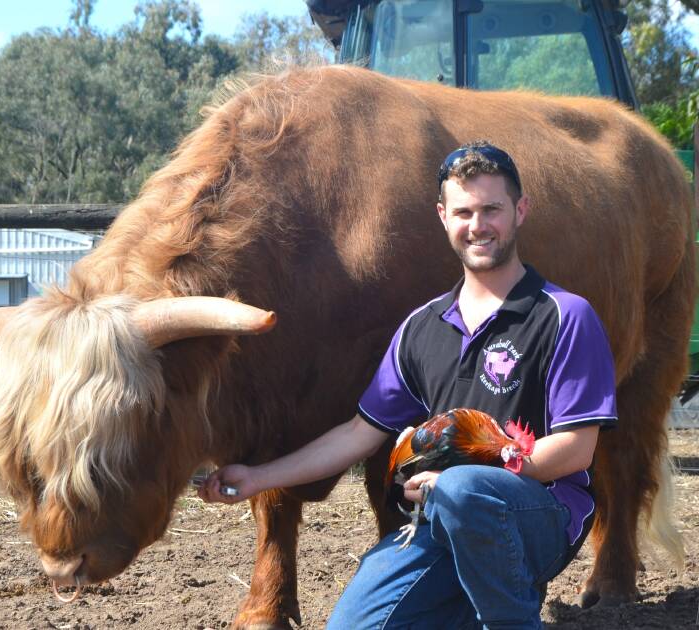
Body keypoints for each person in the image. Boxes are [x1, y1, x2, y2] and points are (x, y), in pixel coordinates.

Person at [198, 141, 617, 629]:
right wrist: (258, 477)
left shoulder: (565, 315)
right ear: (443, 217)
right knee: (354, 625)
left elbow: (576, 450)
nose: (477, 225)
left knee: (464, 490)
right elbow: (358, 434)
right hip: (442, 516)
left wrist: (465, 476)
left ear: (520, 211)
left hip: (539, 514)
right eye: (463, 211)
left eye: (492, 209)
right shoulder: (421, 327)